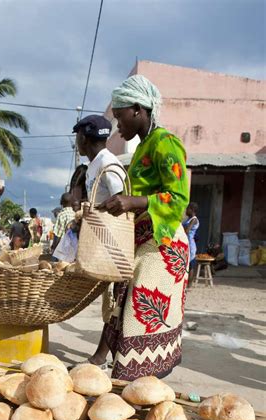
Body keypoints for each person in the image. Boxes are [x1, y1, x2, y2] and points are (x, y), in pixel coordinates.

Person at [95, 74, 189, 380]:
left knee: (140, 310)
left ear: (137, 109)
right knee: (121, 301)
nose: (118, 126)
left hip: (163, 244)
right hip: (142, 238)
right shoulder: (144, 146)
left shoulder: (165, 143)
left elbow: (178, 198)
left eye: (120, 117)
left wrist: (134, 202)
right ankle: (113, 370)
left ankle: (133, 383)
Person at [72, 115, 125, 367]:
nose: (76, 143)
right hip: (100, 238)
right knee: (111, 300)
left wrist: (96, 211)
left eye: (77, 138)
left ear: (84, 137)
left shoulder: (107, 162)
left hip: (112, 241)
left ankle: (101, 357)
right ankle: (106, 355)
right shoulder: (94, 164)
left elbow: (121, 200)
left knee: (114, 300)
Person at [183, 202, 200, 286]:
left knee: (190, 265)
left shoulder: (194, 219)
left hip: (190, 245)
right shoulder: (189, 219)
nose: (186, 210)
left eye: (187, 209)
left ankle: (189, 284)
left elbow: (187, 231)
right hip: (187, 243)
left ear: (192, 210)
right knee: (187, 264)